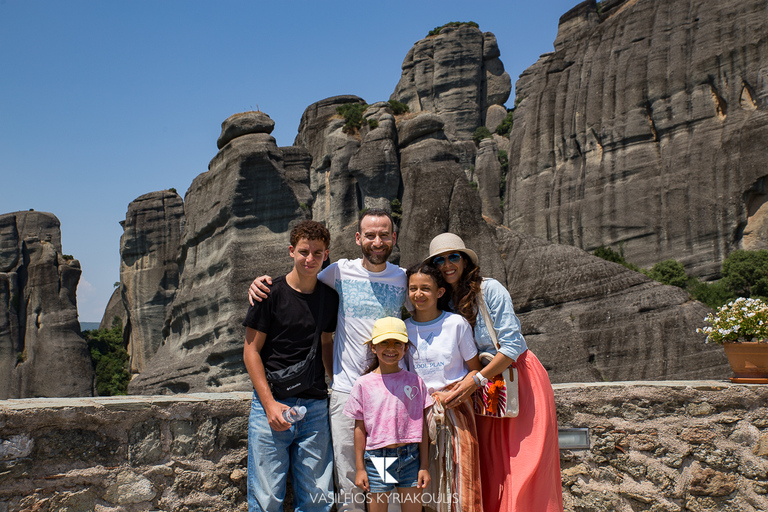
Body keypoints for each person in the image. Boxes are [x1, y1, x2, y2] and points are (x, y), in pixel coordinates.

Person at [248, 209, 407, 512]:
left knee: (386, 475)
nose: (377, 240)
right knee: (346, 476)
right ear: (358, 238)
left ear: (393, 238)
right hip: (346, 393)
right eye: (370, 235)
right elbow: (296, 283)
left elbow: (430, 306)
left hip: (390, 394)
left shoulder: (403, 278)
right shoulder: (338, 272)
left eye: (384, 234)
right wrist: (258, 285)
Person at [425, 232, 563, 512]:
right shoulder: (445, 302)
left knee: (524, 463)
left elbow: (512, 345)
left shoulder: (489, 289)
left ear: (464, 260)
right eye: (440, 260)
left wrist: (475, 379)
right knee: (492, 465)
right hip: (486, 388)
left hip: (517, 379)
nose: (447, 264)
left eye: (454, 257)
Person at [242, 220, 340, 512]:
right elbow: (250, 351)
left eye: (317, 253)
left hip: (315, 407)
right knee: (267, 497)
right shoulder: (269, 293)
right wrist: (269, 404)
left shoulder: (329, 298)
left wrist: (335, 380)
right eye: (303, 252)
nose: (310, 259)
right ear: (291, 251)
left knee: (316, 498)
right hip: (272, 404)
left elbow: (325, 343)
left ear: (326, 254)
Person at [403, 262, 483, 511]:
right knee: (424, 486)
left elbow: (474, 369)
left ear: (439, 292)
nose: (418, 294)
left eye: (425, 288)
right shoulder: (404, 329)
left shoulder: (456, 324)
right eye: (413, 288)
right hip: (418, 417)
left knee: (458, 481)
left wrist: (452, 395)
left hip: (456, 413)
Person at [343, 317, 432, 512]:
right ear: (373, 347)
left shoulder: (415, 382)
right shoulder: (363, 384)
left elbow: (422, 427)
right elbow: (359, 429)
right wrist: (360, 468)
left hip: (410, 458)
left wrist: (424, 465)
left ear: (405, 348)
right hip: (378, 459)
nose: (391, 348)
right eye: (384, 342)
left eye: (397, 343)